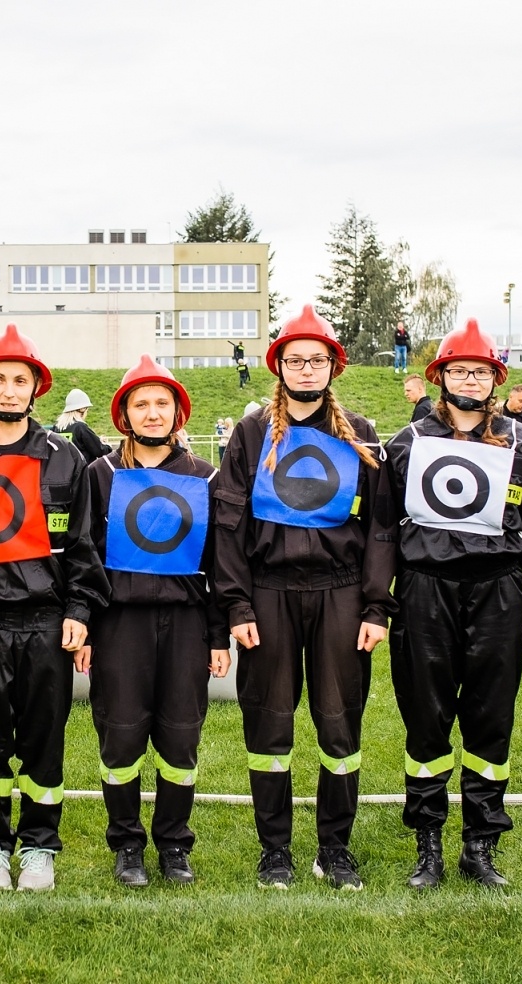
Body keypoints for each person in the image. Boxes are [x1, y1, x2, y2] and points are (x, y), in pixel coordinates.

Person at [212, 305, 391, 891]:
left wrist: (374, 606)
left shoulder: (359, 434)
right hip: (269, 594)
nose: (307, 369)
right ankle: (276, 850)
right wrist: (236, 606)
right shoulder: (250, 432)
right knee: (269, 727)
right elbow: (228, 527)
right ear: (280, 367)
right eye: (296, 360)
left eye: (317, 360)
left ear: (332, 367)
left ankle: (334, 848)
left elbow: (381, 530)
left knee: (340, 729)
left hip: (340, 594)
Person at [0, 325, 109, 892]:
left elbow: (84, 547)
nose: (10, 390)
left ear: (37, 388)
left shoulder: (65, 460)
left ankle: (38, 844)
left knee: (43, 739)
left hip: (44, 621)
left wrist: (80, 612)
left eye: (21, 380)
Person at [372, 319, 522, 890]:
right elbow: (383, 530)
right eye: (460, 369)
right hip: (424, 591)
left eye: (481, 371)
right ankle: (428, 843)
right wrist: (378, 601)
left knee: (491, 718)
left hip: (498, 592)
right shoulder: (406, 444)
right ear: (439, 377)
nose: (470, 379)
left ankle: (480, 845)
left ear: (496, 378)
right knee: (427, 718)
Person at [80, 355, 229, 886]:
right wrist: (86, 627)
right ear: (124, 414)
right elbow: (85, 557)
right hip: (120, 625)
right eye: (140, 404)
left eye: (161, 403)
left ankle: (173, 843)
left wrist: (217, 635)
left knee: (180, 738)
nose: (152, 413)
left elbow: (218, 563)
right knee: (120, 738)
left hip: (186, 624)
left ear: (177, 412)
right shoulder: (99, 474)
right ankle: (126, 844)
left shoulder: (205, 476)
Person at [54, 388, 112, 463]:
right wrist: (107, 446)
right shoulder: (81, 427)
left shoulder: (56, 428)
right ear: (82, 409)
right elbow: (100, 451)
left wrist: (97, 440)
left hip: (63, 472)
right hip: (82, 473)